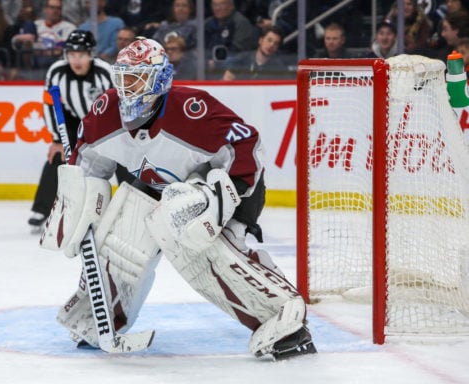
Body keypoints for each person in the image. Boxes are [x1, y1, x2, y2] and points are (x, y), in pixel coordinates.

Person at [39, 37, 317, 360]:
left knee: (183, 220)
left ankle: (283, 317)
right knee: (122, 230)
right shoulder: (107, 111)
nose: (127, 89)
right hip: (155, 187)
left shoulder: (191, 111)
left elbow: (248, 148)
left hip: (220, 192)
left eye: (137, 79)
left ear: (158, 81)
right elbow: (87, 160)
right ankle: (100, 315)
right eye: (123, 79)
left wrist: (219, 203)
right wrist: (77, 199)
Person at [27, 29, 113, 232]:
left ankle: (139, 205)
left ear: (91, 54)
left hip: (106, 124)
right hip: (76, 122)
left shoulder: (104, 72)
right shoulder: (57, 72)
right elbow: (49, 105)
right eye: (72, 55)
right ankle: (42, 209)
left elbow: (118, 104)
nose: (76, 60)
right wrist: (56, 139)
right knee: (57, 158)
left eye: (81, 55)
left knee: (125, 160)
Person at [222, 25, 287, 80]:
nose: (271, 45)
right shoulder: (242, 59)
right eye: (269, 40)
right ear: (260, 40)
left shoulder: (279, 69)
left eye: (276, 44)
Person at [33, 0, 76, 69]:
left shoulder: (69, 28)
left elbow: (62, 48)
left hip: (58, 64)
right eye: (52, 7)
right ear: (45, 9)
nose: (55, 11)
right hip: (36, 64)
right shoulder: (36, 25)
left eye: (58, 8)